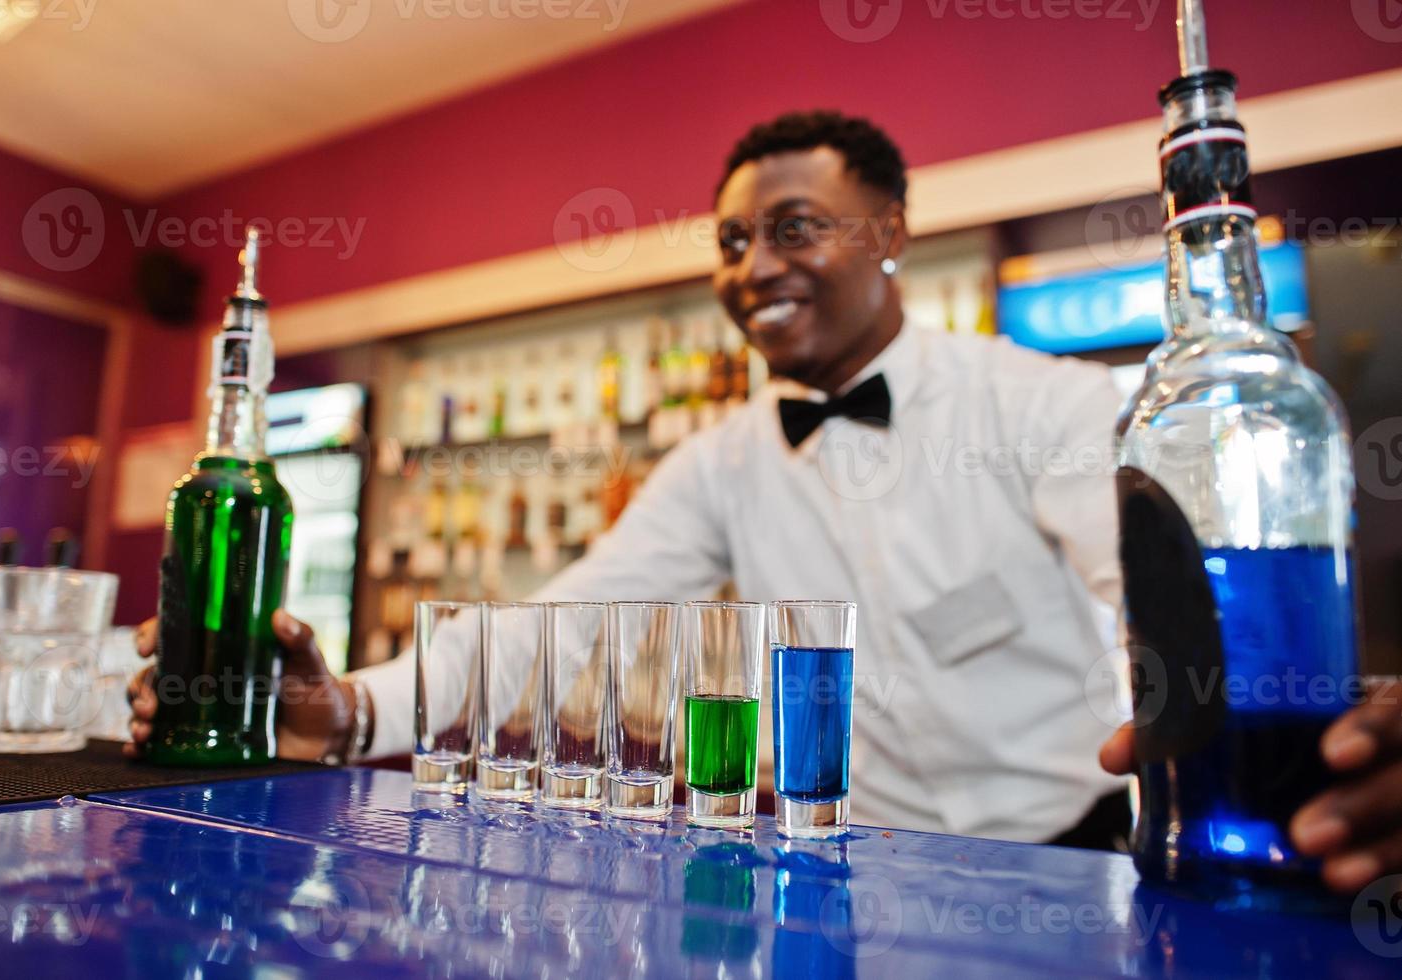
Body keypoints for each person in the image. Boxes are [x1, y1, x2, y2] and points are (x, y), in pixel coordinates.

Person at [127, 112, 1402, 887]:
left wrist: (1297, 730)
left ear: (891, 229)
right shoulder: (722, 462)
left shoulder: (1031, 402)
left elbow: (1165, 587)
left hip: (1061, 864)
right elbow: (564, 617)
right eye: (732, 245)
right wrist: (352, 708)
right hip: (839, 866)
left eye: (797, 228)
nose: (754, 269)